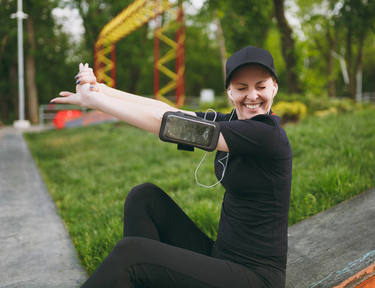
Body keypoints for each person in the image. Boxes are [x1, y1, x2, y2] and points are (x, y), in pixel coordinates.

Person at [51, 46, 292, 288]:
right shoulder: (231, 121)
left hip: (256, 278)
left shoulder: (268, 133)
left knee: (133, 255)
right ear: (230, 91)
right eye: (242, 88)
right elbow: (167, 111)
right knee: (144, 197)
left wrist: (95, 101)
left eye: (260, 87)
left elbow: (174, 125)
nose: (252, 96)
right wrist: (101, 91)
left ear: (274, 88)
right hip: (222, 258)